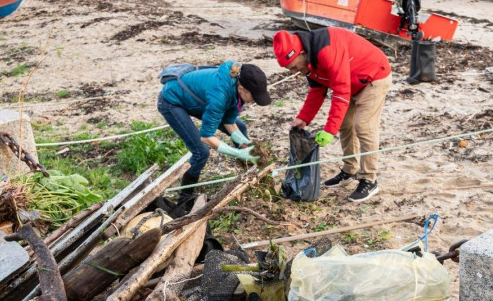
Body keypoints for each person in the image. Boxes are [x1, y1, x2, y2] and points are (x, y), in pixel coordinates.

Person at [273, 28, 392, 202]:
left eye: (292, 66)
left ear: (302, 53)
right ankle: (350, 169)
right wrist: (303, 118)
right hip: (352, 81)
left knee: (363, 126)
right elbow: (317, 89)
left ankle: (369, 179)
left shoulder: (327, 51)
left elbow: (341, 91)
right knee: (345, 124)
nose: (293, 72)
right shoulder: (309, 60)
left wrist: (329, 130)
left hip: (374, 76)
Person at [157, 61, 272, 202]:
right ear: (241, 89)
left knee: (240, 127)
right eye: (254, 97)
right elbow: (206, 137)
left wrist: (249, 149)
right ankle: (184, 199)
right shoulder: (220, 94)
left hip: (199, 100)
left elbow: (229, 122)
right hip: (172, 101)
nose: (255, 101)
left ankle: (250, 174)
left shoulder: (236, 87)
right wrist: (237, 152)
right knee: (201, 152)